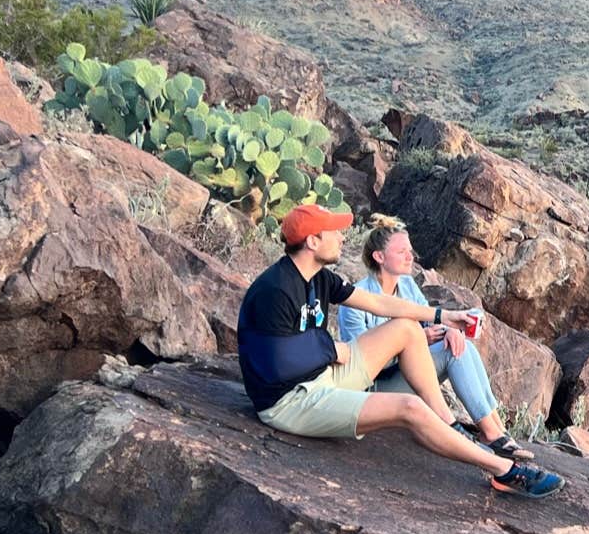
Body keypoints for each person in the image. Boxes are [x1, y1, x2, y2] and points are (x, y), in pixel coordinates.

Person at [236, 203, 564, 498]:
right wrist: (329, 348)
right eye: (334, 231)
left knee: (406, 329)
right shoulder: (275, 290)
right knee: (409, 407)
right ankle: (504, 471)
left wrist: (444, 316)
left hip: (323, 375)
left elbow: (379, 302)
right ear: (312, 242)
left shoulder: (320, 278)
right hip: (291, 400)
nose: (342, 236)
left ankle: (449, 426)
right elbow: (274, 365)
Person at [337, 214, 533, 463]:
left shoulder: (406, 285)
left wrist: (449, 329)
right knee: (450, 349)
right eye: (402, 252)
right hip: (375, 389)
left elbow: (428, 320)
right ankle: (490, 433)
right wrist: (414, 343)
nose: (411, 256)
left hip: (408, 376)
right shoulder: (358, 299)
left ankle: (493, 428)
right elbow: (361, 365)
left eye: (410, 250)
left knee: (458, 345)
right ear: (379, 257)